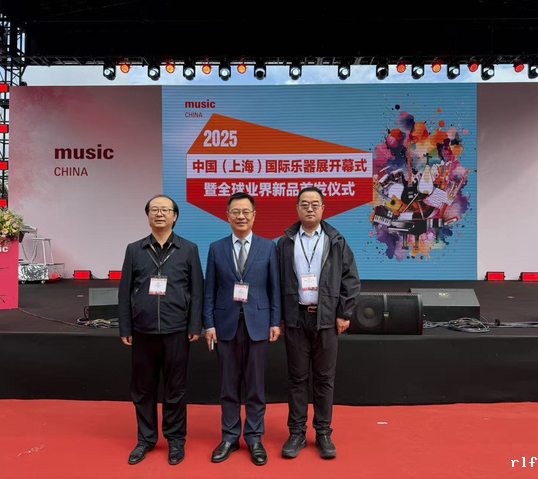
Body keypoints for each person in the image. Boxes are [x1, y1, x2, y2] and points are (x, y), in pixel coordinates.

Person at [118, 194, 203, 466]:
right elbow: (124, 291)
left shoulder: (188, 249)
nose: (159, 214)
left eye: (165, 210)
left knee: (175, 389)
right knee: (143, 390)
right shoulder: (135, 249)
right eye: (154, 209)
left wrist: (195, 324)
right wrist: (126, 326)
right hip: (142, 332)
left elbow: (197, 291)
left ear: (175, 216)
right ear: (148, 216)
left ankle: (176, 440)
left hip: (177, 330)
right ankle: (145, 439)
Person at [277, 186, 360, 460]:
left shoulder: (336, 241)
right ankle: (297, 433)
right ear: (297, 208)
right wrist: (279, 316)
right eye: (304, 204)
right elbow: (275, 282)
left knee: (324, 379)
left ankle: (323, 433)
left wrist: (344, 313)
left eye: (315, 204)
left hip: (326, 318)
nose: (310, 208)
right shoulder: (285, 243)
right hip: (295, 317)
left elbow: (351, 279)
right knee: (297, 378)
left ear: (323, 209)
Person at [203, 192, 281, 466]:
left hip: (258, 325)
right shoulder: (216, 248)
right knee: (229, 386)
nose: (241, 216)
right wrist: (208, 323)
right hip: (225, 326)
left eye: (246, 211)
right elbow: (209, 290)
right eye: (235, 212)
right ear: (227, 216)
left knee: (256, 387)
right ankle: (230, 437)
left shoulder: (268, 247)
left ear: (254, 216)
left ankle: (255, 438)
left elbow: (274, 288)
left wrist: (275, 321)